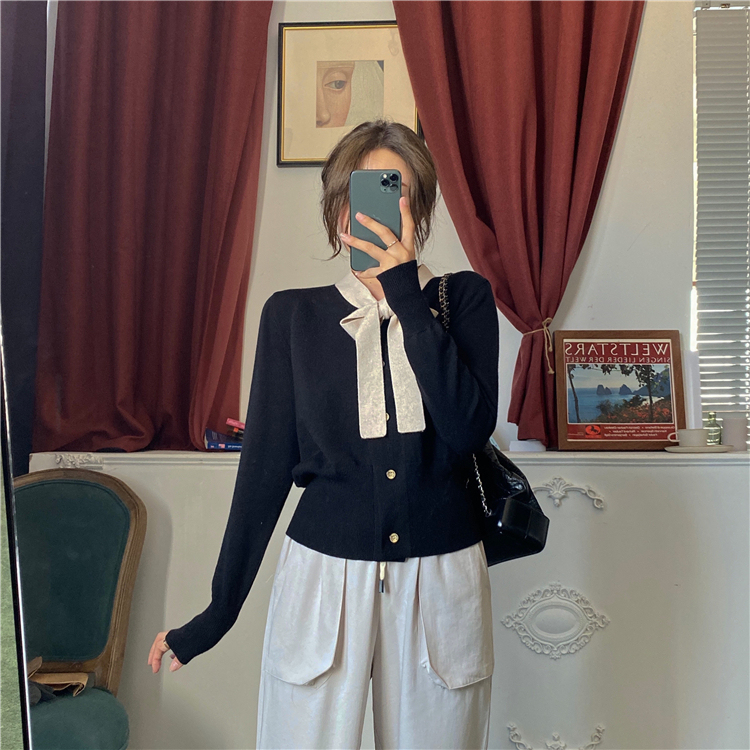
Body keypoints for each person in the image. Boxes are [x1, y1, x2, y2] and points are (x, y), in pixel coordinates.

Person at [148, 119, 500, 749]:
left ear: (420, 209)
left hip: (442, 580)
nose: (378, 211)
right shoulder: (293, 316)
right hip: (322, 582)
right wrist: (217, 614)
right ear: (339, 210)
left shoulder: (464, 300)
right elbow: (262, 476)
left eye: (396, 191)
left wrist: (405, 295)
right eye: (363, 192)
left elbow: (468, 428)